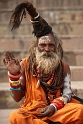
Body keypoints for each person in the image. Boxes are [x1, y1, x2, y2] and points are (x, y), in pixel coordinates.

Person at [3, 1, 83, 124]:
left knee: (80, 110)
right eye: (42, 45)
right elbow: (17, 98)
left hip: (57, 110)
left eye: (51, 45)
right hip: (33, 111)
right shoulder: (24, 65)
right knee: (15, 116)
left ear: (56, 47)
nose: (47, 49)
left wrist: (54, 106)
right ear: (36, 47)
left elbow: (67, 94)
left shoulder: (63, 67)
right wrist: (14, 76)